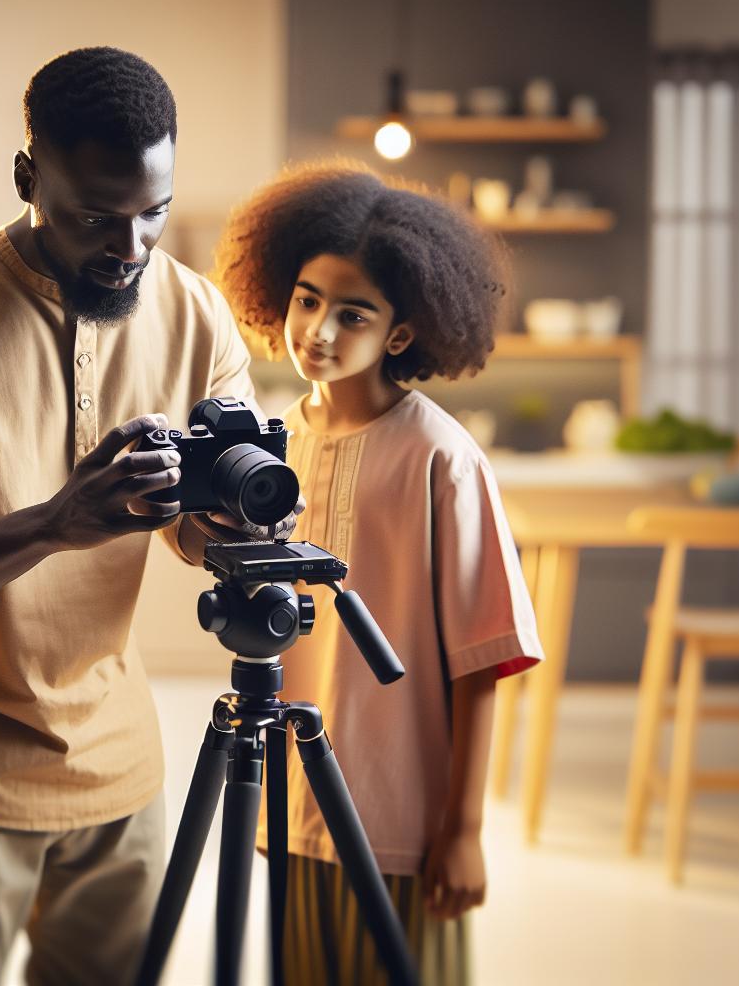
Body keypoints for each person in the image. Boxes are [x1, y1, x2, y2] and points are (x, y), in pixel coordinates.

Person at [0, 47, 289, 986]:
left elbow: (193, 534)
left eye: (153, 215)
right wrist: (54, 523)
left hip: (120, 754)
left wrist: (234, 534)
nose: (130, 251)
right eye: (95, 217)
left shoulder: (198, 316)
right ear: (27, 178)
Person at [211, 160, 544, 985]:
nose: (319, 331)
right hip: (290, 803)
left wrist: (463, 830)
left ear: (399, 333)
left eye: (352, 313)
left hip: (401, 818)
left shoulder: (442, 459)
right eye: (308, 301)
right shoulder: (272, 443)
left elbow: (484, 658)